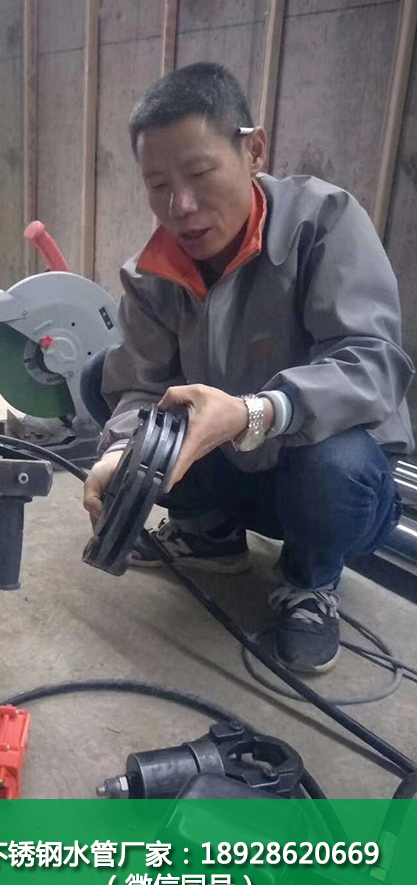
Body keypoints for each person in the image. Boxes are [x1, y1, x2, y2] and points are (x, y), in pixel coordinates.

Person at [82, 62, 414, 674]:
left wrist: (256, 412)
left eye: (199, 173)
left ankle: (311, 580)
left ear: (254, 150)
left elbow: (374, 362)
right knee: (102, 378)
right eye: (158, 184)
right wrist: (121, 454)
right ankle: (210, 533)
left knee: (334, 460)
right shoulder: (152, 273)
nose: (180, 206)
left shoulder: (325, 222)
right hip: (235, 474)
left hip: (327, 490)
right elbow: (136, 387)